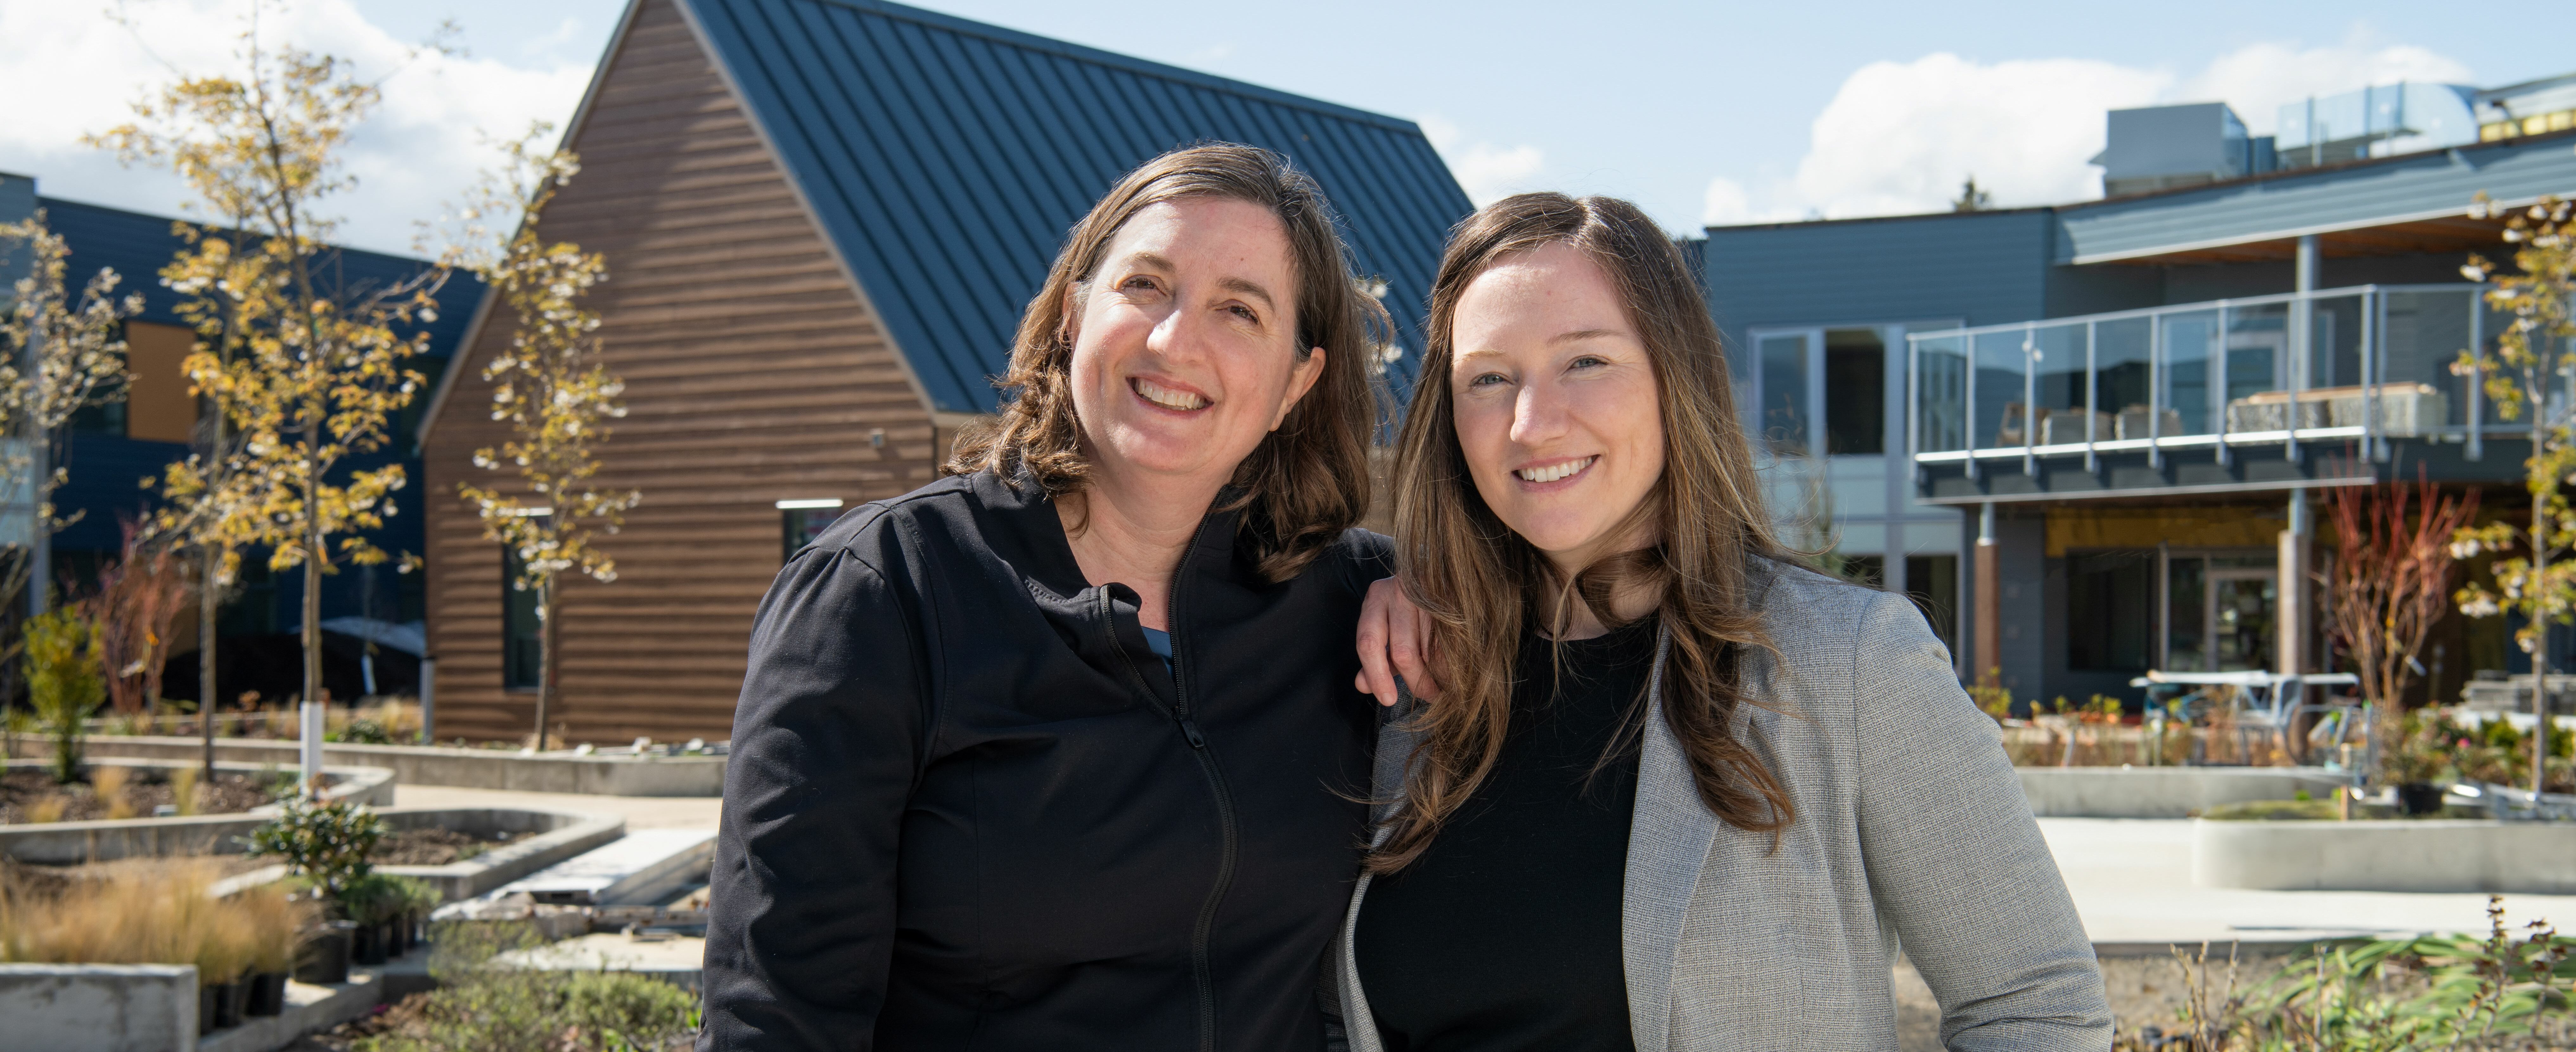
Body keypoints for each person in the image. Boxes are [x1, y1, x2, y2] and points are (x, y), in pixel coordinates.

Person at [1333, 193, 2111, 1051]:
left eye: (1585, 361)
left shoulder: (1844, 662)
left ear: (1676, 377)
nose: (1531, 421)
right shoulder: (1411, 671)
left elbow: (2036, 1005)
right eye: (1489, 378)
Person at [701, 143, 1396, 1051]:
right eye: (1144, 286)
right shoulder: (887, 590)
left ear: (1296, 384)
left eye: (1240, 310)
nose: (1174, 341)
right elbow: (779, 1010)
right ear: (1073, 316)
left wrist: (1431, 590)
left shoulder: (1349, 605)